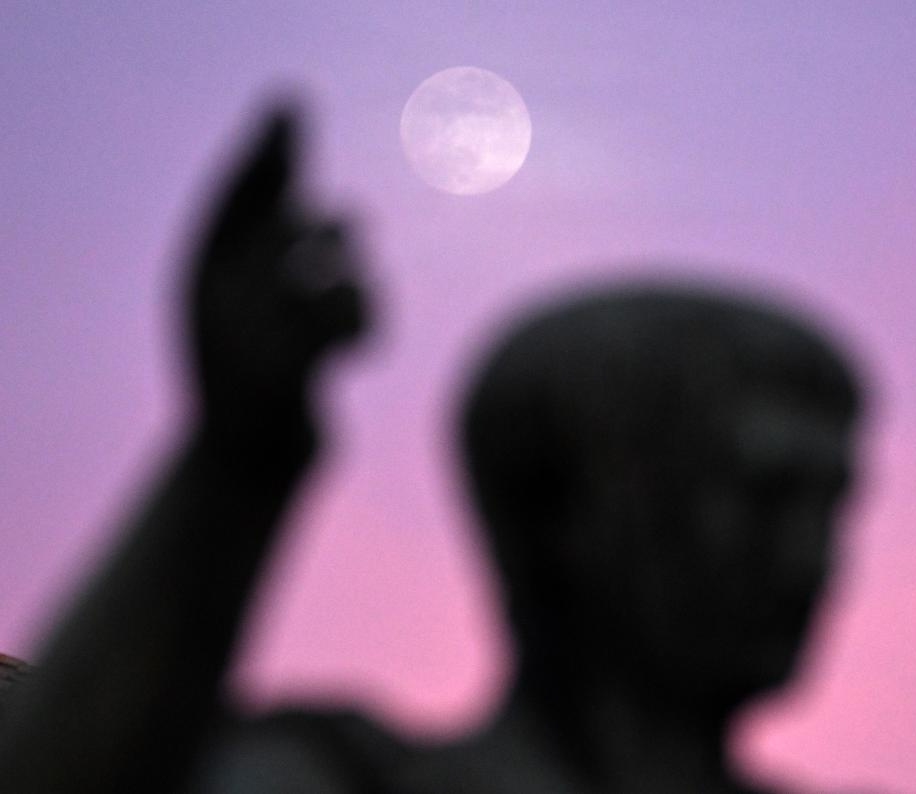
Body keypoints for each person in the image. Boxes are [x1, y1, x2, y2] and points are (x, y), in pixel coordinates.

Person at [0, 108, 862, 794]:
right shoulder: (333, 779)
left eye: (833, 502)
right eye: (762, 496)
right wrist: (235, 466)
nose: (812, 557)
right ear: (559, 508)